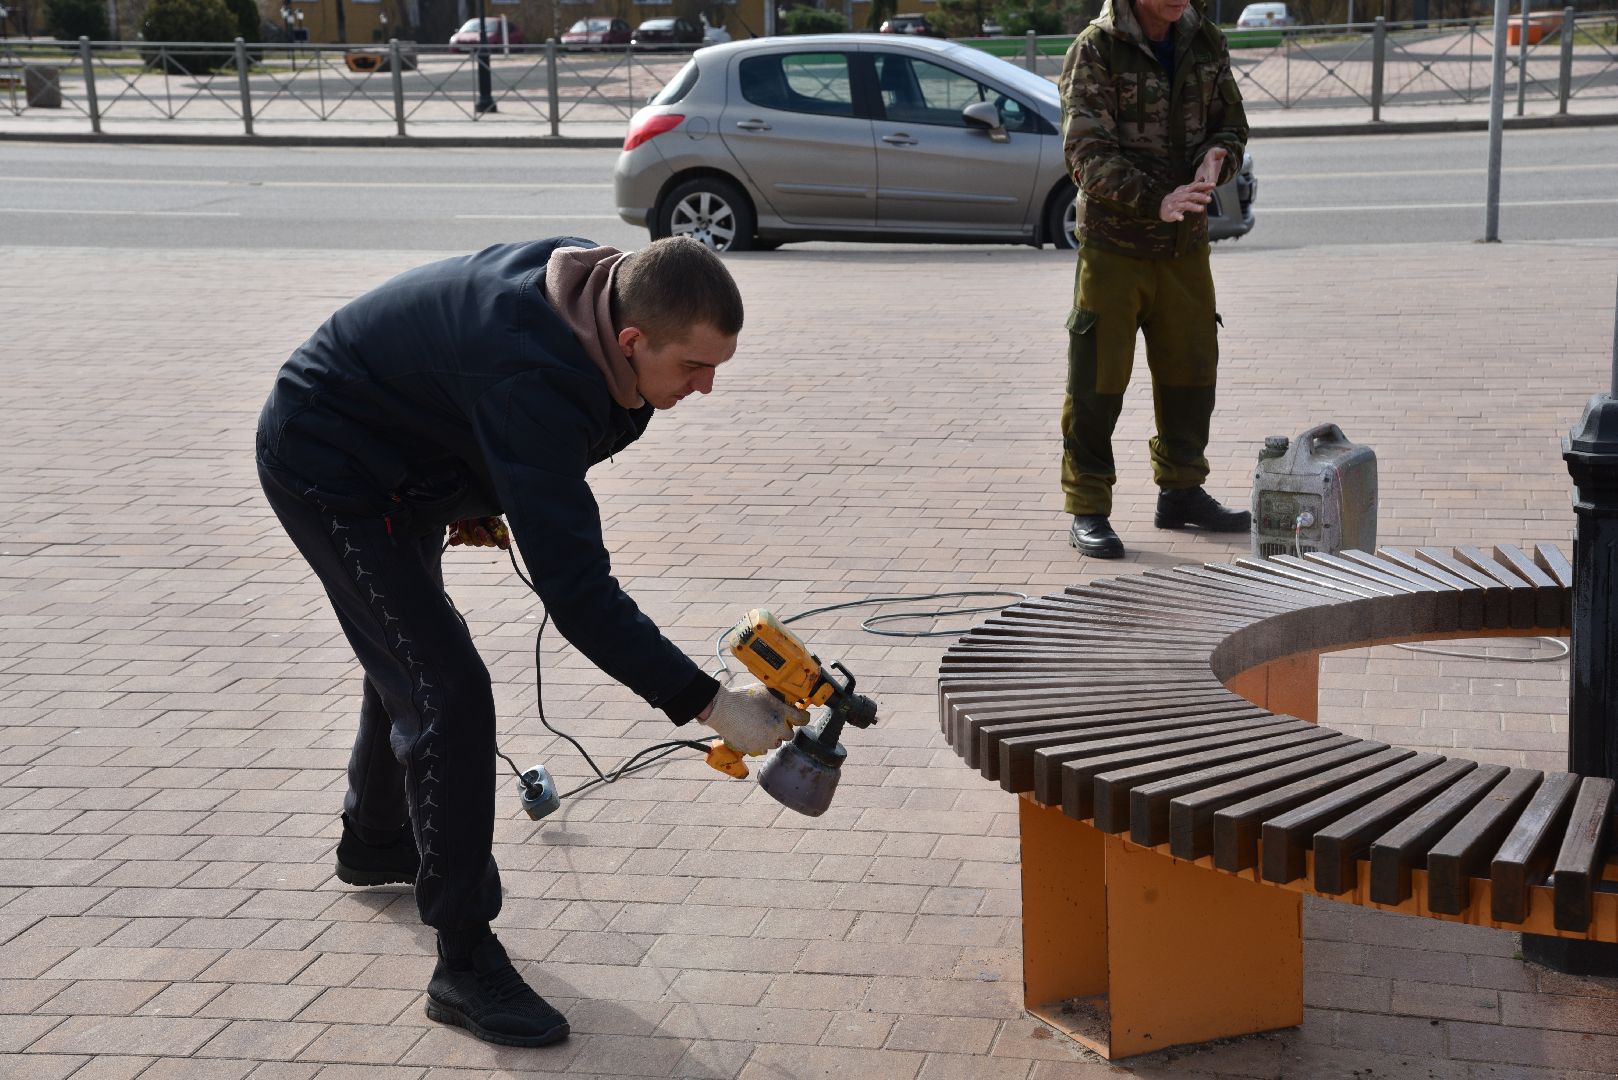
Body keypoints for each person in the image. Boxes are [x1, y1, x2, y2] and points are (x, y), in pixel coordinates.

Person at [254, 236, 807, 1047]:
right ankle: (464, 962)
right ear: (631, 340)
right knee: (448, 690)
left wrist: (474, 485)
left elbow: (473, 394)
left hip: (403, 455)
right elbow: (578, 594)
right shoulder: (535, 374)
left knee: (410, 651)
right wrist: (710, 704)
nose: (707, 386)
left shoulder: (597, 312)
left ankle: (374, 841)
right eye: (694, 366)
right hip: (330, 465)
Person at [1057, 0, 1252, 559]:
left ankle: (1182, 491)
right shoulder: (1096, 48)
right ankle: (1088, 506)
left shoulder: (1206, 40)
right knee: (1097, 382)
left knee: (1192, 375)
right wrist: (1154, 199)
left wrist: (1219, 157)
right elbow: (1085, 152)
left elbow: (1231, 124)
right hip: (1114, 250)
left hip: (1185, 248)